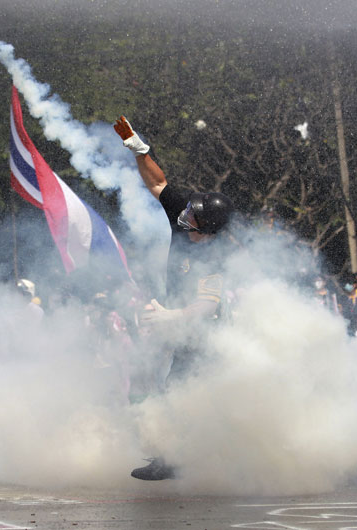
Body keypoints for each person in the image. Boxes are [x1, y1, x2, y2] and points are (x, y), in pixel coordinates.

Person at [114, 115, 234, 480]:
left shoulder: (215, 257)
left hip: (206, 329)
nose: (183, 214)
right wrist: (140, 150)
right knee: (183, 389)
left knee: (185, 390)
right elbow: (158, 183)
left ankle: (177, 459)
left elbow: (208, 305)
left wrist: (172, 316)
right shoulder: (186, 209)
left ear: (208, 231)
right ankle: (196, 456)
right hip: (181, 322)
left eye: (193, 218)